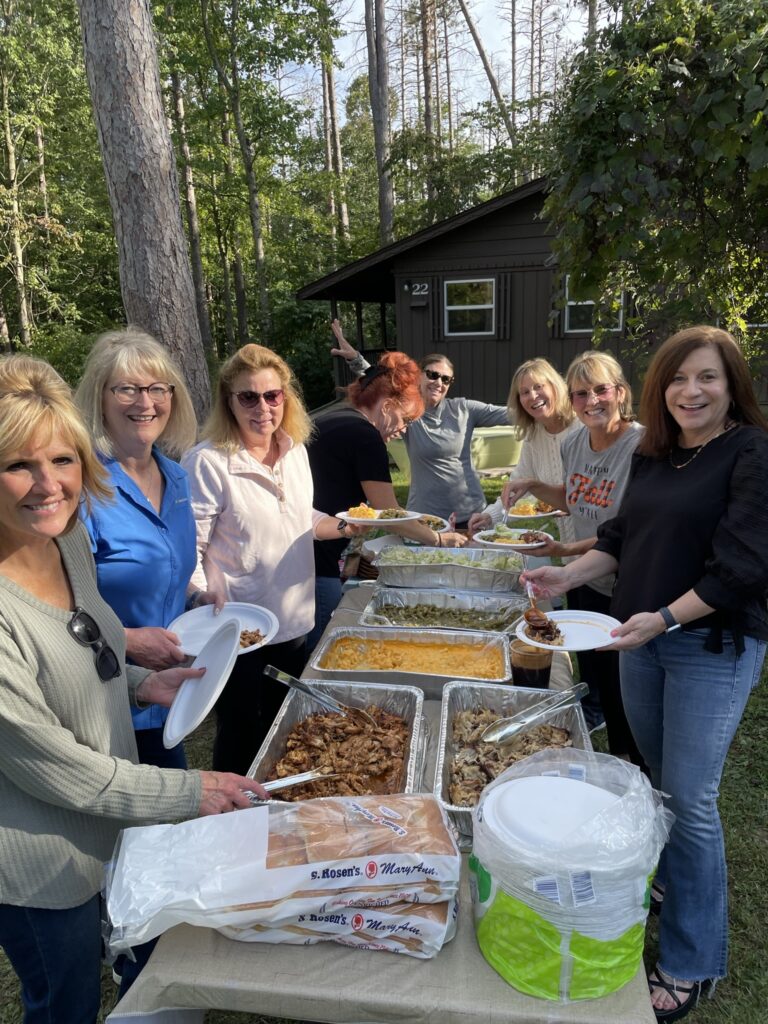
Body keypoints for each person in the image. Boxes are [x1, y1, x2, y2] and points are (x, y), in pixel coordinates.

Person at [0, 354, 267, 1023]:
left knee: (137, 957)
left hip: (107, 824)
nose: (46, 484)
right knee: (65, 1003)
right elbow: (54, 767)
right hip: (38, 863)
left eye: (61, 460)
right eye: (18, 466)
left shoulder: (66, 546)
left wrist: (146, 684)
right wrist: (190, 791)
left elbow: (91, 650)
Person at [522, 326, 768, 1022]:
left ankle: (691, 959)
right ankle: (666, 883)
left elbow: (744, 565)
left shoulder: (749, 452)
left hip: (707, 644)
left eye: (708, 378)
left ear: (731, 387)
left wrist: (664, 617)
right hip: (636, 638)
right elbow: (622, 539)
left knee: (690, 800)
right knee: (657, 784)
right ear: (661, 389)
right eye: (678, 379)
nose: (691, 391)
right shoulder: (658, 455)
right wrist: (564, 573)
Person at [181, 343, 370, 776]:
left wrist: (343, 525)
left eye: (272, 395)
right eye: (248, 396)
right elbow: (189, 547)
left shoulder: (294, 448)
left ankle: (276, 817)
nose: (263, 407)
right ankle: (234, 818)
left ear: (286, 397)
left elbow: (301, 515)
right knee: (242, 736)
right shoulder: (208, 462)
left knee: (286, 733)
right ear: (228, 402)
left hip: (292, 622)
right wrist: (199, 594)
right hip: (239, 630)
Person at [504, 350, 644, 761]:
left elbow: (625, 532)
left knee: (623, 691)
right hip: (584, 578)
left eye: (601, 390)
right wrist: (530, 483)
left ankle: (628, 765)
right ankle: (604, 740)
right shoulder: (574, 442)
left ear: (620, 392)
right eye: (581, 393)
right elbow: (572, 500)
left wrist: (563, 550)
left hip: (624, 582)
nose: (592, 401)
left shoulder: (642, 445)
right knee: (591, 669)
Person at [75, 328, 198, 771]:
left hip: (166, 697)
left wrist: (199, 601)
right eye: (126, 388)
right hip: (106, 700)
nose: (145, 403)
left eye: (156, 389)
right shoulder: (81, 487)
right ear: (100, 398)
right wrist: (126, 640)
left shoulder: (177, 479)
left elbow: (168, 575)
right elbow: (54, 608)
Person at [307, 350, 466, 651]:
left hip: (307, 550)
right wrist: (438, 539)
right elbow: (390, 513)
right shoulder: (365, 435)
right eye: (405, 419)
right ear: (388, 404)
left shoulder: (339, 418)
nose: (404, 429)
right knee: (318, 651)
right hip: (316, 562)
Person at [331, 320, 509, 526]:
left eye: (446, 379)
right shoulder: (408, 412)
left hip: (471, 515)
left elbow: (509, 414)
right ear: (419, 377)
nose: (439, 383)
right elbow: (381, 383)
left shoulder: (464, 409)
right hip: (425, 516)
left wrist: (544, 403)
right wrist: (355, 359)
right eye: (433, 375)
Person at [468, 357, 579, 548]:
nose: (533, 396)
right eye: (524, 392)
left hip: (600, 542)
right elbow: (519, 485)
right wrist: (489, 516)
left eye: (538, 387)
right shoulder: (533, 435)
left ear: (555, 386)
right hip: (568, 550)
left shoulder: (581, 428)